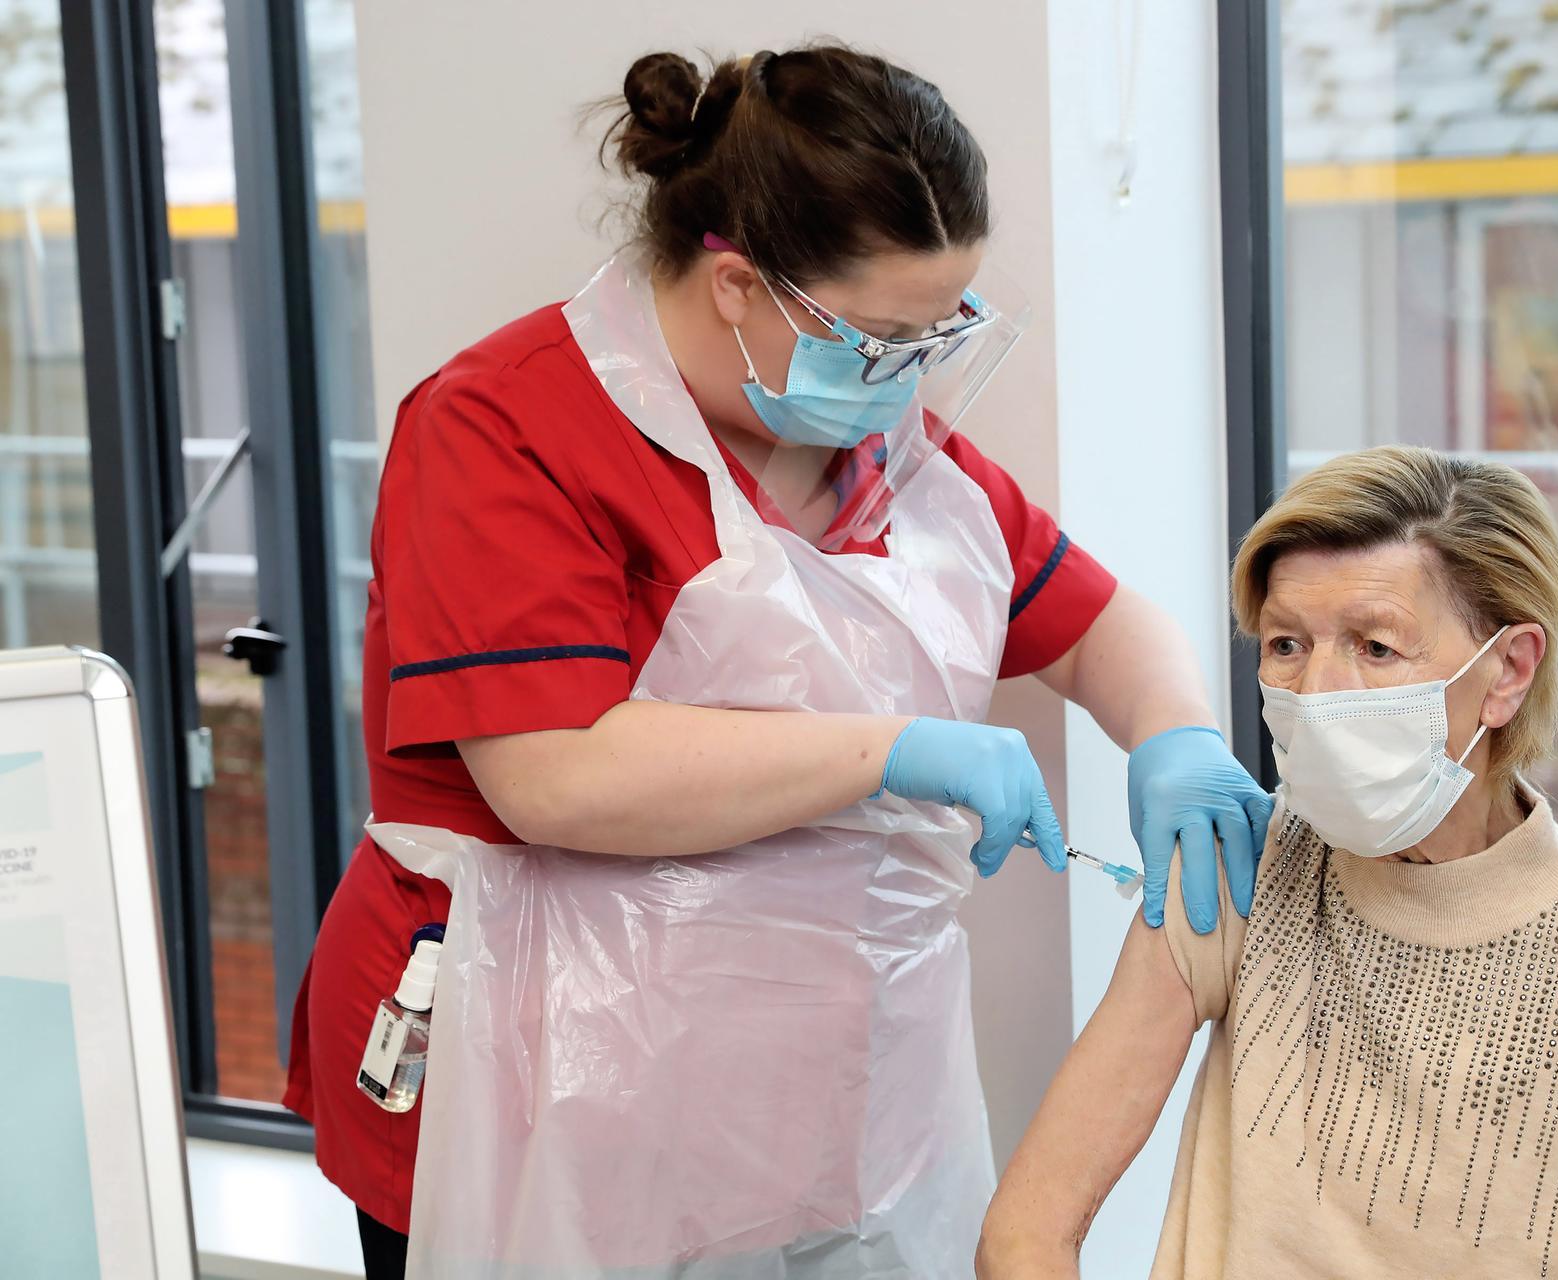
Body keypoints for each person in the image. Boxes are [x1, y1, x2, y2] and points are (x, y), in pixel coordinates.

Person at [281, 44, 1271, 1278]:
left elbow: (1099, 622)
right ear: (740, 282)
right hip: (531, 1066)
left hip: (804, 1105)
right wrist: (889, 751)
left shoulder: (896, 457)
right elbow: (555, 774)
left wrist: (1177, 734)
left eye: (935, 334)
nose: (906, 377)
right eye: (876, 339)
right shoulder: (505, 426)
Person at [979, 446, 1558, 1279]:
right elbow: (1025, 1235)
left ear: (1507, 670)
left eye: (1375, 648)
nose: (1315, 692)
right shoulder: (1241, 872)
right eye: (1286, 644)